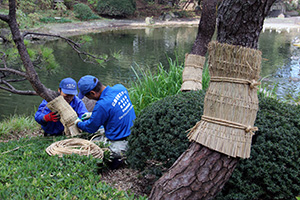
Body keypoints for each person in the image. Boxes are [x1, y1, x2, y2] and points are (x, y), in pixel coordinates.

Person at [75, 75, 136, 167]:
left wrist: (78, 123)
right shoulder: (120, 88)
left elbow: (90, 128)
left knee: (91, 143)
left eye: (87, 96)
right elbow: (115, 109)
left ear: (92, 93)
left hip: (118, 142)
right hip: (133, 132)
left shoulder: (102, 105)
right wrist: (92, 115)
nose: (87, 98)